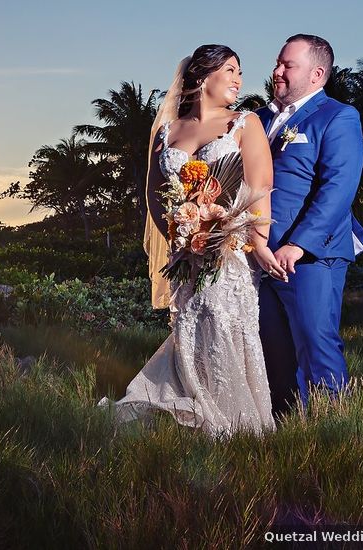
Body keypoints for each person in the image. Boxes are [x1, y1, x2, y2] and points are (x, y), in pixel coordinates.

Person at [99, 45, 286, 437]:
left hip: (230, 251)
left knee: (222, 323)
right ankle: (190, 406)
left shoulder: (244, 123)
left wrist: (255, 241)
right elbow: (153, 194)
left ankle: (232, 419)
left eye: (240, 72)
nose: (239, 79)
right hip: (187, 253)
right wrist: (180, 235)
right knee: (189, 325)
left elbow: (260, 187)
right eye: (231, 70)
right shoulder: (169, 131)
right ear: (204, 76)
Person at [256, 34, 363, 418]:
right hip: (259, 255)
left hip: (310, 255)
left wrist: (298, 244)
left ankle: (331, 429)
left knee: (315, 340)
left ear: (317, 73)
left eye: (288, 65)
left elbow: (338, 188)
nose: (277, 71)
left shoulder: (338, 116)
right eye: (277, 62)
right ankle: (287, 425)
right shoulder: (257, 119)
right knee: (272, 345)